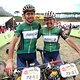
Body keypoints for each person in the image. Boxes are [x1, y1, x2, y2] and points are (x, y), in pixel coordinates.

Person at [6, 4, 41, 76]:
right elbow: (13, 43)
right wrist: (9, 60)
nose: (30, 16)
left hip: (32, 54)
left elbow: (40, 34)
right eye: (28, 14)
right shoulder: (20, 27)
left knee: (36, 75)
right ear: (24, 15)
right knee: (21, 75)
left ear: (34, 14)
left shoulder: (38, 25)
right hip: (21, 55)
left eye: (32, 13)